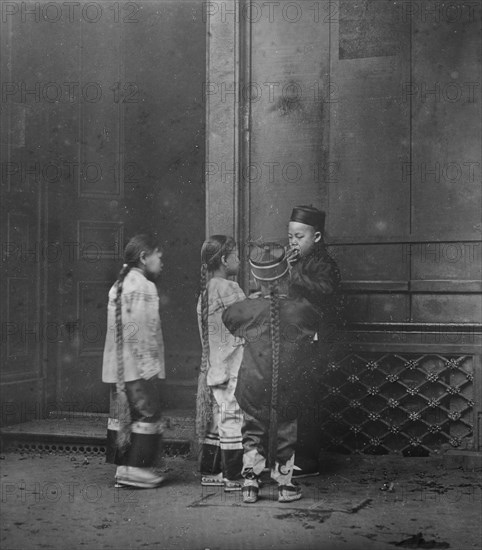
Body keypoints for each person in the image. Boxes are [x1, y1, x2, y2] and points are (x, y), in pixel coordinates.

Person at [222, 243, 320, 504]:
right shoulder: (300, 309)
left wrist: (251, 301)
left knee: (252, 429)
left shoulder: (245, 310)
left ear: (255, 278)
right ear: (287, 275)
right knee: (287, 429)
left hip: (253, 383)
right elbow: (313, 320)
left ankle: (250, 484)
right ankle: (285, 485)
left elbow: (229, 318)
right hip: (288, 384)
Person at [102, 234, 166, 488]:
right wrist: (149, 366)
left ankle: (124, 468)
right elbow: (142, 329)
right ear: (144, 257)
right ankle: (137, 469)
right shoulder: (144, 286)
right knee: (147, 413)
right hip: (136, 365)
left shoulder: (119, 284)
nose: (161, 261)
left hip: (118, 367)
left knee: (125, 413)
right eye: (158, 256)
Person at [286, 205, 341, 478]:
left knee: (307, 400)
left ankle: (306, 461)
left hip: (315, 344)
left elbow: (326, 290)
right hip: (297, 341)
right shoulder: (298, 263)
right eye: (290, 238)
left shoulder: (325, 264)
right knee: (295, 397)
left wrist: (293, 274)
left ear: (316, 237)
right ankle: (294, 455)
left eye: (299, 237)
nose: (293, 243)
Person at [196, 235, 246, 492]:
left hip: (215, 366)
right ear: (225, 260)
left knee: (218, 417)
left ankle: (210, 470)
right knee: (232, 418)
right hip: (232, 366)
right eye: (235, 254)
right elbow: (247, 322)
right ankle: (233, 476)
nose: (239, 259)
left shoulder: (205, 293)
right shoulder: (230, 289)